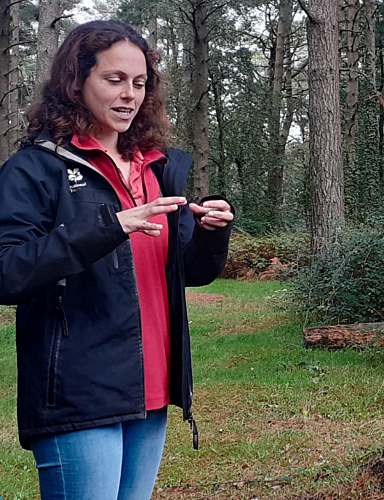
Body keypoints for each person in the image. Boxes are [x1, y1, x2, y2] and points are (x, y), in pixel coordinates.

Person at [0, 20, 234, 500]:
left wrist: (213, 235)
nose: (130, 94)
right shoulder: (35, 168)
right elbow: (8, 271)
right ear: (76, 81)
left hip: (151, 389)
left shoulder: (159, 165)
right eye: (114, 80)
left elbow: (188, 271)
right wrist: (110, 226)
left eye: (140, 82)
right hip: (78, 393)